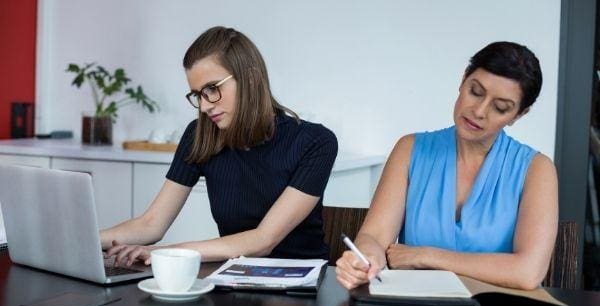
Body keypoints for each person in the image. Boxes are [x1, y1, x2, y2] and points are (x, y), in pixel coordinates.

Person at [102, 26, 338, 265]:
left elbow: (263, 240)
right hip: (235, 280)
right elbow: (150, 224)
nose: (204, 107)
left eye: (212, 89)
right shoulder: (200, 135)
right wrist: (80, 241)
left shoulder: (316, 142)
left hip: (301, 285)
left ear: (251, 78)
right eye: (197, 95)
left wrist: (166, 253)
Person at [336, 41, 557, 291]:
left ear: (518, 115)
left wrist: (427, 256)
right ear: (463, 80)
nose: (479, 111)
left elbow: (528, 272)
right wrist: (365, 259)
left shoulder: (536, 169)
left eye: (500, 108)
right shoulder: (410, 149)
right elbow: (373, 237)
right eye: (475, 91)